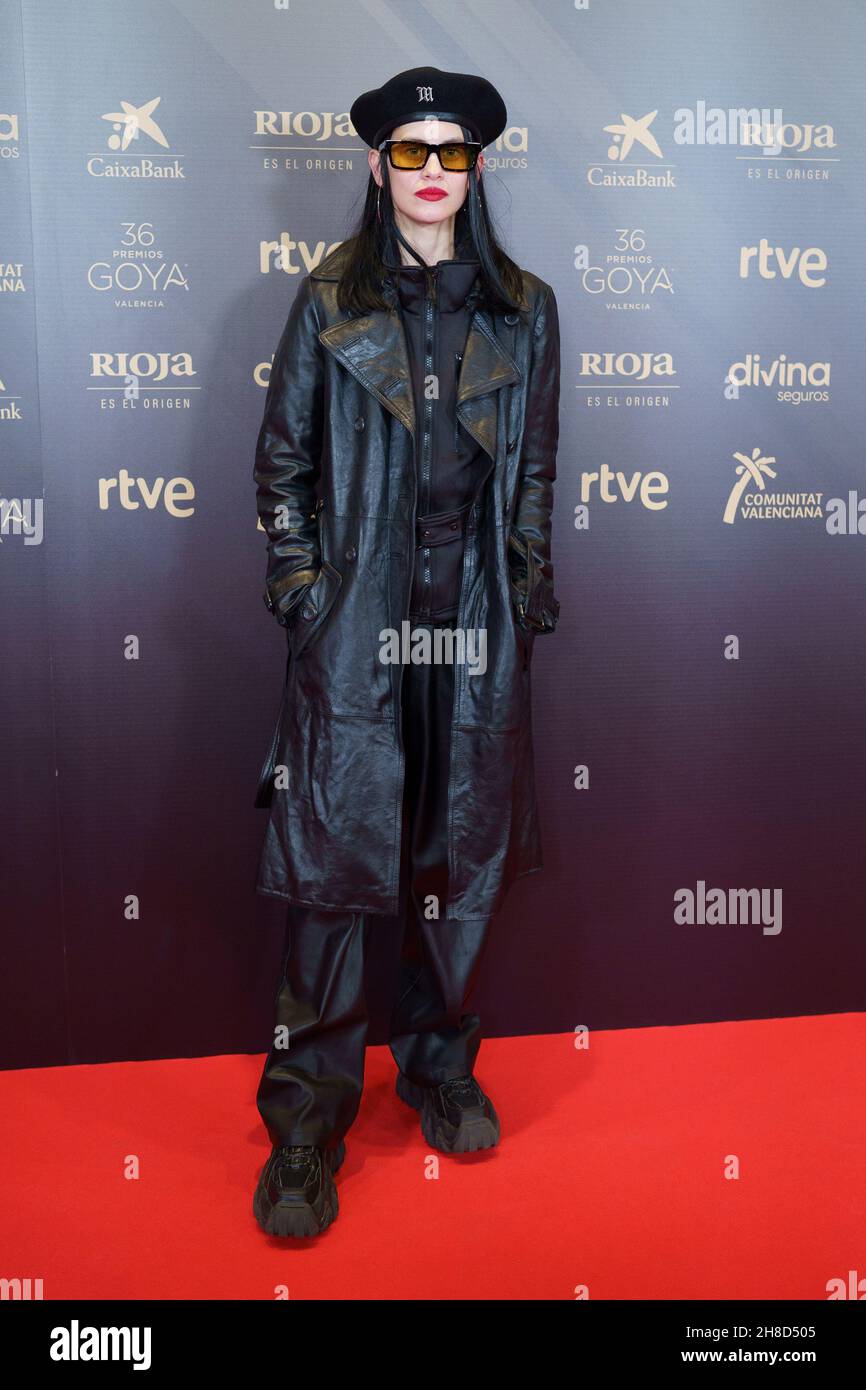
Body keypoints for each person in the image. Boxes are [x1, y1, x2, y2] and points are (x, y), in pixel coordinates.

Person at [251, 66, 561, 1238]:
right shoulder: (330, 298)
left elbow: (532, 471)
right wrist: (303, 592)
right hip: (355, 628)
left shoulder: (520, 307)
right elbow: (280, 464)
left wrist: (522, 591)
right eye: (411, 151)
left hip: (471, 622)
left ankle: (436, 1066)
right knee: (331, 881)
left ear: (474, 169)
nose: (433, 173)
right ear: (377, 165)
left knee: (455, 864)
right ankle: (304, 1126)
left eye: (454, 153)